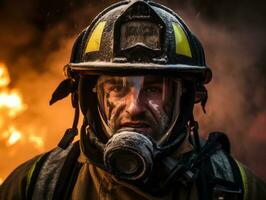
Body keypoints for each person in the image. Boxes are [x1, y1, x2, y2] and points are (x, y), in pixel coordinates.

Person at [1, 0, 266, 199]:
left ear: (186, 98)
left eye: (153, 89)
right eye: (116, 88)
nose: (134, 107)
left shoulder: (238, 189)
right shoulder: (37, 186)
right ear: (87, 98)